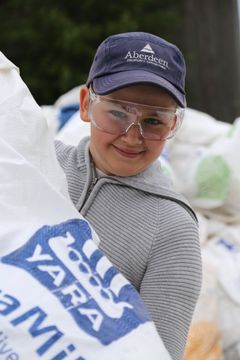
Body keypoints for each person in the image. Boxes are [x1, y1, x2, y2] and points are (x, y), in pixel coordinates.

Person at [55, 31, 202, 360]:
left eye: (153, 121)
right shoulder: (41, 165)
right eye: (118, 113)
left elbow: (158, 352)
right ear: (85, 105)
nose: (133, 137)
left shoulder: (172, 228)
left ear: (173, 127)